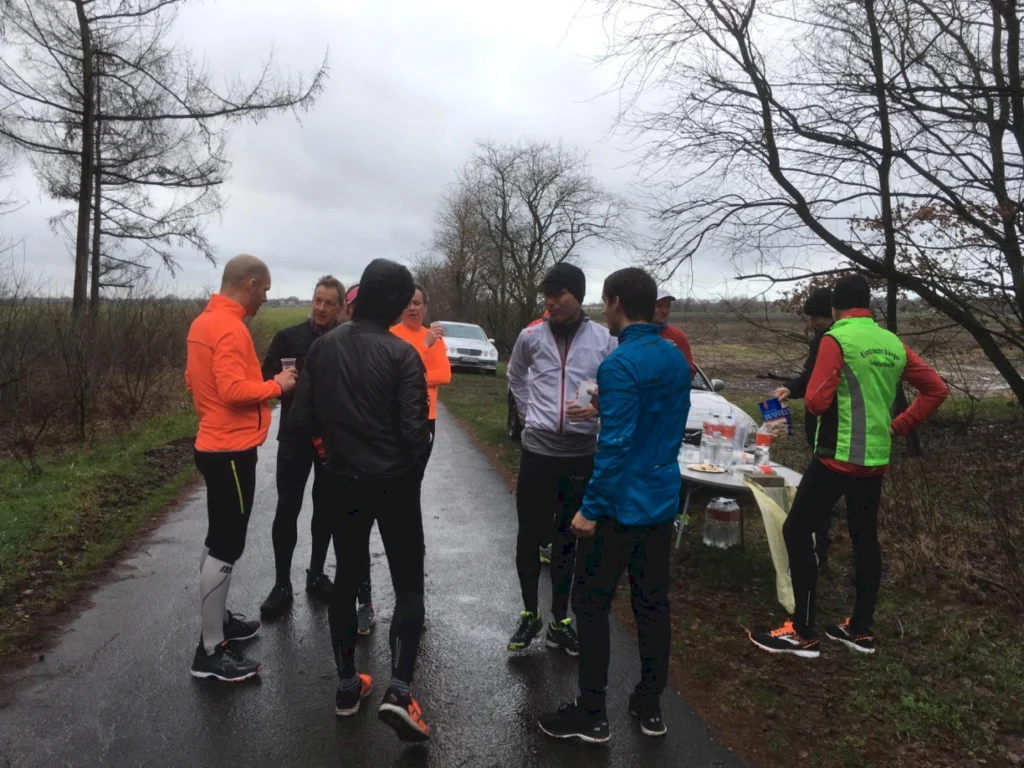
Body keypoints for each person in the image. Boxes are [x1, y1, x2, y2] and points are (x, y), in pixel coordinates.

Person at [748, 275, 948, 658]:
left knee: (796, 529)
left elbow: (818, 402)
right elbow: (936, 389)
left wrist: (815, 394)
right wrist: (899, 425)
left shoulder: (835, 339)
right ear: (867, 306)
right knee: (864, 539)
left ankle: (801, 632)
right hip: (875, 459)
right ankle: (859, 630)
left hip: (835, 456)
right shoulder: (890, 342)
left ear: (836, 308)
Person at [537, 268, 691, 743]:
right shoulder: (674, 357)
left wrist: (591, 507)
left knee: (590, 603)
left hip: (621, 507)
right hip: (663, 504)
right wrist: (608, 406)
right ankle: (649, 707)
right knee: (652, 605)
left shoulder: (619, 364)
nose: (603, 310)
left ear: (618, 302)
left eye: (605, 302)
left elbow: (618, 444)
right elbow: (658, 417)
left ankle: (592, 713)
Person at [290, 258, 433, 742]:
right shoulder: (402, 354)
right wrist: (409, 470)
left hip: (340, 480)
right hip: (392, 482)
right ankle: (398, 691)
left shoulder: (323, 348)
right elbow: (416, 433)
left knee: (348, 576)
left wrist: (328, 451)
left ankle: (348, 686)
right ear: (394, 303)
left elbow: (300, 421)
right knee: (409, 583)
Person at [184, 254, 298, 682]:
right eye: (265, 289)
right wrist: (277, 386)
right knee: (227, 544)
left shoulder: (203, 323)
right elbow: (232, 390)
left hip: (214, 443)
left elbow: (193, 380)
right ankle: (211, 650)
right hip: (229, 450)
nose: (266, 298)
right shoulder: (229, 327)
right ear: (249, 283)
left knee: (220, 538)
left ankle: (219, 625)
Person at [506, 262, 617, 656]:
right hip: (538, 453)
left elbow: (614, 391)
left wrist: (599, 409)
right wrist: (528, 413)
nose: (550, 302)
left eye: (558, 294)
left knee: (569, 539)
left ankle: (559, 619)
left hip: (581, 455)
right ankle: (529, 612)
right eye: (546, 295)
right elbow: (516, 376)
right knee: (528, 537)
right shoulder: (530, 336)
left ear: (578, 296)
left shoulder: (604, 341)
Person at [259, 276, 347, 619]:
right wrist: (282, 384)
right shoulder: (288, 337)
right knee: (287, 508)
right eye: (317, 300)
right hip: (295, 437)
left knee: (325, 509)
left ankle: (316, 574)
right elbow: (267, 379)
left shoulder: (345, 340)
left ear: (340, 308)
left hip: (331, 440)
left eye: (328, 303)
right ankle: (282, 584)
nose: (321, 308)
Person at [773, 287, 835, 566]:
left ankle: (817, 552)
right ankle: (821, 545)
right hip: (824, 431)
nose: (812, 323)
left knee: (817, 495)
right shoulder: (822, 340)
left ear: (829, 314)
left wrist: (795, 388)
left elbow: (815, 381)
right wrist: (791, 388)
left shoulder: (830, 343)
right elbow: (810, 378)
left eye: (816, 318)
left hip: (828, 430)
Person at [391, 284, 452, 470]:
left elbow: (444, 375)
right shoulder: (391, 335)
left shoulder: (435, 337)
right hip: (396, 416)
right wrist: (425, 346)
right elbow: (394, 376)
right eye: (407, 303)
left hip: (426, 417)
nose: (411, 307)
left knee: (417, 475)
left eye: (416, 303)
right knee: (395, 476)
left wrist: (414, 379)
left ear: (424, 308)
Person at [654, 289, 694, 372]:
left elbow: (689, 372)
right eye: (659, 306)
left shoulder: (678, 337)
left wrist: (673, 356)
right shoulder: (635, 334)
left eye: (667, 306)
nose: (665, 311)